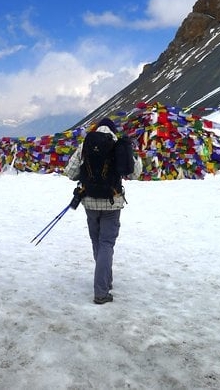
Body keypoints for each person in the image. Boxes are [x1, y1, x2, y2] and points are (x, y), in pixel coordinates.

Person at [64, 117, 142, 304]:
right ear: (113, 130)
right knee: (107, 243)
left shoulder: (86, 144)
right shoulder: (118, 144)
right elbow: (135, 172)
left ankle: (105, 279)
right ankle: (101, 291)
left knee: (97, 241)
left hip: (89, 202)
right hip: (112, 202)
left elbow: (70, 172)